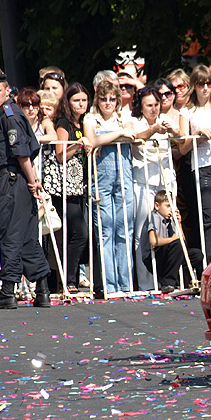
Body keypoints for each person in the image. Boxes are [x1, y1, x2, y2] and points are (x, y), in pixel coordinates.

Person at [0, 69, 51, 309]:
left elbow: (21, 152)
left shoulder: (10, 115)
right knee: (27, 238)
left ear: (8, 89)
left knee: (9, 235)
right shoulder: (10, 113)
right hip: (17, 181)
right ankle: (42, 290)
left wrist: (33, 181)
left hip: (11, 182)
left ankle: (8, 290)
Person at [83, 79, 135, 295]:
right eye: (103, 99)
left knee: (125, 228)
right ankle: (109, 284)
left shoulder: (124, 116)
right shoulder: (90, 117)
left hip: (124, 171)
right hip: (102, 174)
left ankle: (126, 283)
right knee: (106, 230)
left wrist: (108, 137)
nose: (108, 103)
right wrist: (118, 134)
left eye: (112, 99)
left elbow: (131, 131)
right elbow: (92, 139)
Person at [178, 66, 211, 262]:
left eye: (209, 83)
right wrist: (198, 136)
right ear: (194, 85)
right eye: (201, 83)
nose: (206, 88)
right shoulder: (186, 111)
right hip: (201, 165)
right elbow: (182, 148)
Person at [131, 86, 178, 290]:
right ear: (141, 108)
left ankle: (168, 279)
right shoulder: (133, 121)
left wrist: (174, 130)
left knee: (171, 225)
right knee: (142, 232)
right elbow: (134, 139)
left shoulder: (166, 119)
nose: (154, 109)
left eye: (156, 105)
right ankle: (146, 283)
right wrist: (152, 130)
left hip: (166, 180)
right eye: (149, 105)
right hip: (144, 183)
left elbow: (182, 139)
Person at [53, 83, 91, 293]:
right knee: (79, 233)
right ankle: (69, 280)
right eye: (77, 100)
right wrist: (79, 145)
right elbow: (60, 155)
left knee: (77, 234)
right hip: (65, 187)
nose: (81, 104)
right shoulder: (64, 123)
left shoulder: (82, 123)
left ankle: (71, 279)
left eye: (84, 100)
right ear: (68, 102)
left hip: (79, 186)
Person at [143, 190, 203, 293]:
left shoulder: (171, 219)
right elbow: (153, 241)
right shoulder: (155, 216)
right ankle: (167, 283)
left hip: (171, 254)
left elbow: (183, 243)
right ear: (157, 206)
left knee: (196, 254)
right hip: (157, 256)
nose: (171, 209)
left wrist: (178, 223)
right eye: (167, 206)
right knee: (176, 244)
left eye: (172, 206)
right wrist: (172, 239)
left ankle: (192, 280)